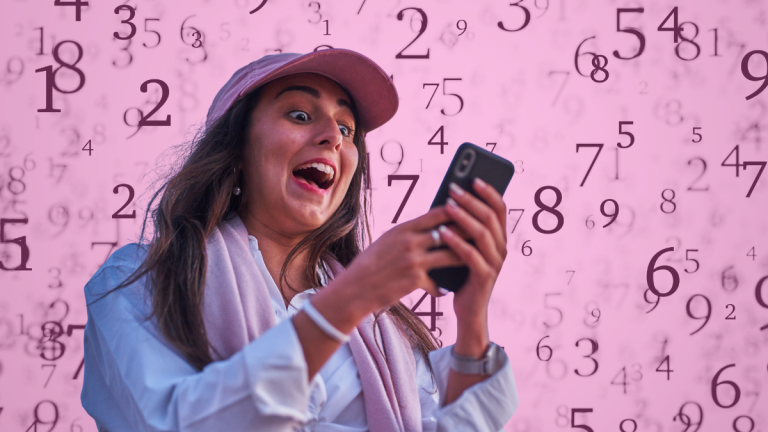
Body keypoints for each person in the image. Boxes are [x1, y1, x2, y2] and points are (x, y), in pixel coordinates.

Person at [81, 48, 519, 431]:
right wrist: (349, 299)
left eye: (347, 129)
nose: (332, 137)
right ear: (236, 149)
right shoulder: (140, 280)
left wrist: (472, 319)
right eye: (300, 115)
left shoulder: (386, 332)